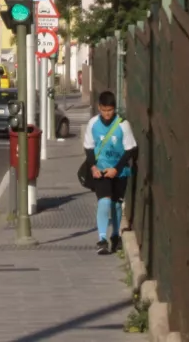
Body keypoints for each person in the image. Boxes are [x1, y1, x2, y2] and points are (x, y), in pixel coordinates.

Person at [84, 91, 137, 255]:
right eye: (104, 110)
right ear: (99, 108)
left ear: (114, 109)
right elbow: (89, 147)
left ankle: (115, 236)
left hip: (119, 172)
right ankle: (102, 239)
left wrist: (116, 169)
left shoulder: (123, 125)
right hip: (101, 170)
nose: (107, 114)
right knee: (104, 202)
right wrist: (93, 167)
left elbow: (130, 150)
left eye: (110, 110)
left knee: (116, 204)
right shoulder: (93, 124)